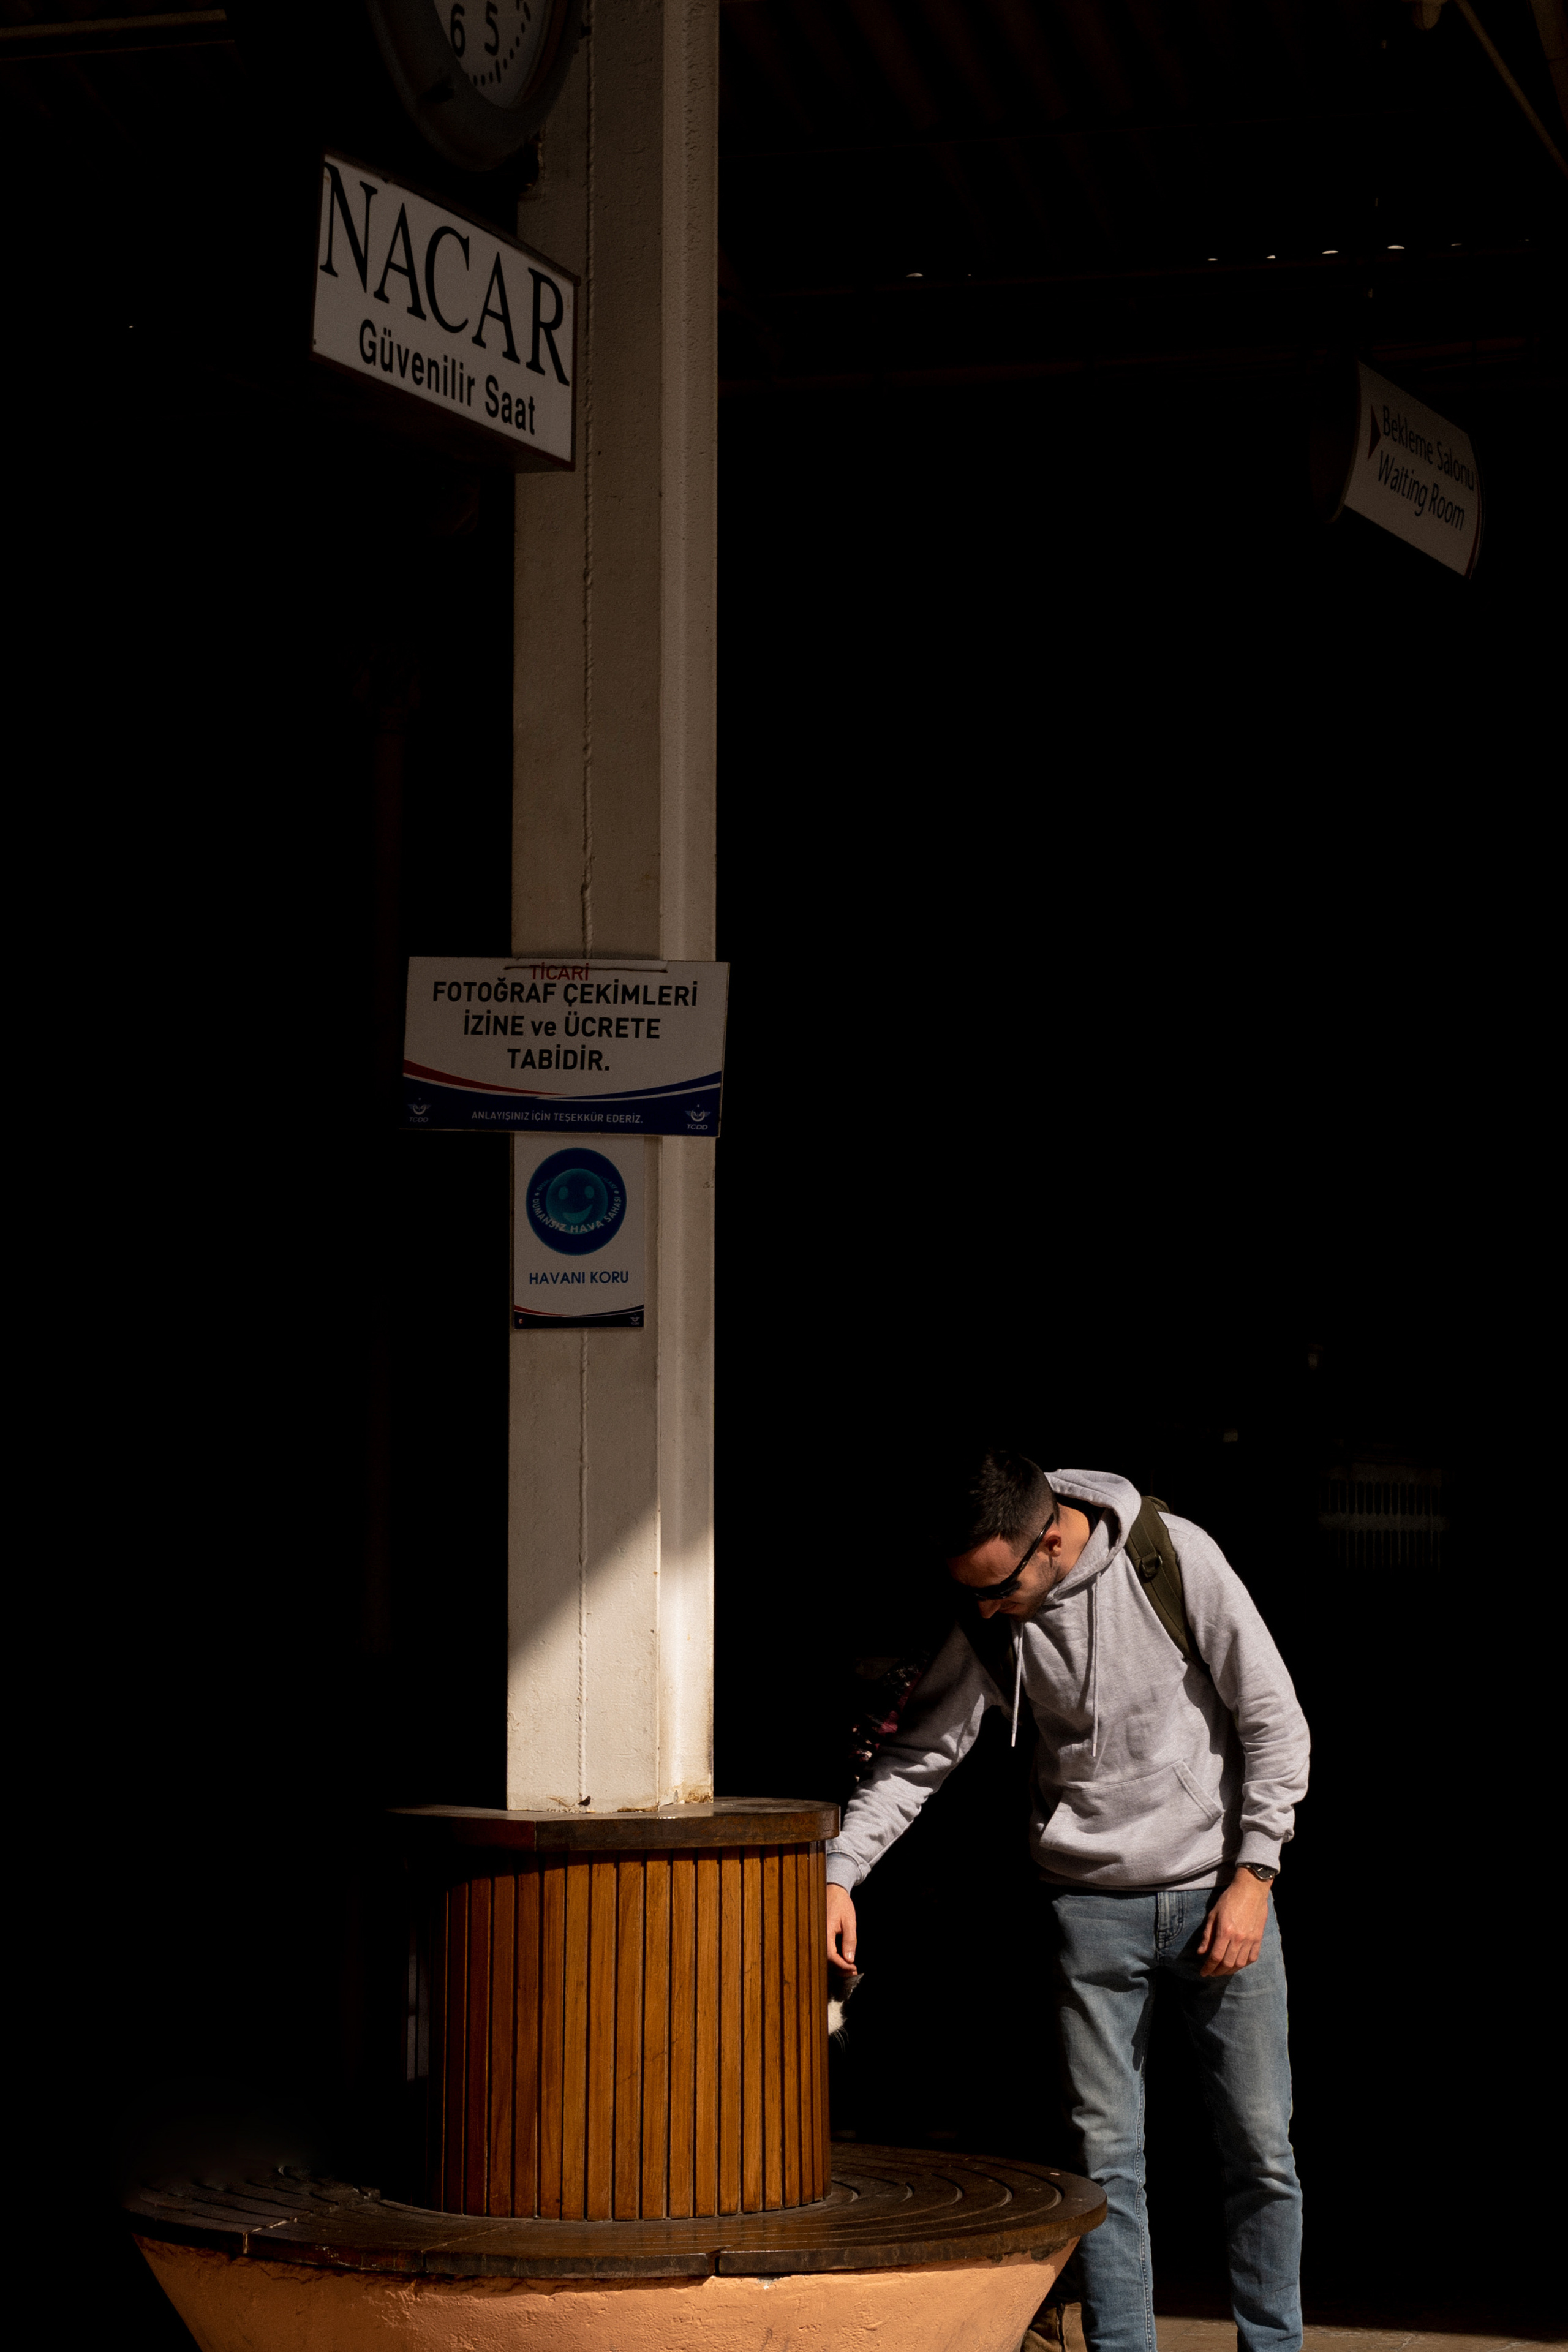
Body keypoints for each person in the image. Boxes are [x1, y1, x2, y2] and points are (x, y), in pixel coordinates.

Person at [824, 1452, 1311, 2352]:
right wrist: (839, 1872)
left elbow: (1273, 1717)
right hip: (1088, 1911)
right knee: (1105, 2164)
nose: (983, 1609)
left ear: (1051, 1539)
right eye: (967, 1592)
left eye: (998, 1587)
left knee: (1261, 2154)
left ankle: (1273, 2346)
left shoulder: (1174, 1558)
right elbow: (920, 1757)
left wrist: (1255, 1875)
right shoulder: (996, 1614)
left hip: (1221, 1895)